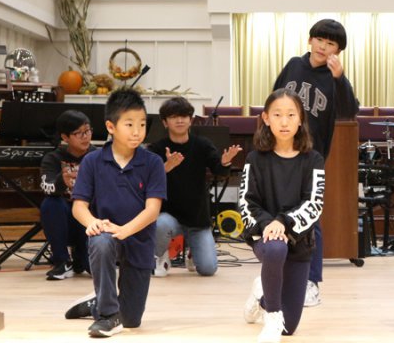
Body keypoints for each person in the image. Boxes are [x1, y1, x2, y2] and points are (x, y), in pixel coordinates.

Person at [64, 88, 166, 338]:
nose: (137, 131)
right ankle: (107, 314)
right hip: (107, 234)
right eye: (129, 124)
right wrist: (92, 222)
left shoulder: (153, 163)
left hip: (139, 239)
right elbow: (79, 206)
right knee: (100, 241)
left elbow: (153, 210)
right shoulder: (92, 161)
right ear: (111, 127)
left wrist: (125, 230)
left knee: (131, 320)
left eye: (142, 124)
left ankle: (96, 303)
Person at [273, 18, 359, 306]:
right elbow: (273, 100)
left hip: (312, 156)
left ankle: (311, 281)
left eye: (330, 43)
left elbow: (349, 110)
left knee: (310, 217)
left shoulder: (335, 78)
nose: (323, 46)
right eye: (319, 39)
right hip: (280, 151)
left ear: (338, 51)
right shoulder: (293, 65)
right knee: (278, 212)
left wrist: (340, 78)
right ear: (310, 40)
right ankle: (278, 275)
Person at [239, 89, 325, 343]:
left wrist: (283, 222)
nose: (284, 122)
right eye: (277, 115)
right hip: (265, 236)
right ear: (266, 118)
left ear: (300, 119)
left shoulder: (313, 159)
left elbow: (314, 203)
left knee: (290, 329)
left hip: (298, 241)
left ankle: (261, 295)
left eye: (291, 115)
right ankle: (272, 316)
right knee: (276, 248)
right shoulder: (254, 159)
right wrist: (269, 224)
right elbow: (246, 202)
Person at [147, 96, 241, 277]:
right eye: (174, 117)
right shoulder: (157, 149)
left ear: (190, 120)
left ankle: (193, 252)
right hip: (168, 216)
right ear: (165, 122)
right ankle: (161, 255)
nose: (180, 120)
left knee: (208, 269)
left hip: (197, 219)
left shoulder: (202, 145)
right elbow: (146, 179)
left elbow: (219, 170)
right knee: (160, 224)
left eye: (184, 116)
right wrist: (165, 168)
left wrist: (225, 162)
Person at [39, 110, 96, 280]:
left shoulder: (98, 156)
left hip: (90, 217)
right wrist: (61, 181)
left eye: (88, 131)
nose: (85, 137)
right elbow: (46, 187)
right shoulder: (53, 158)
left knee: (89, 266)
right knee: (50, 203)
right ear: (65, 137)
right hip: (64, 218)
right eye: (79, 133)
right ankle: (62, 261)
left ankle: (83, 257)